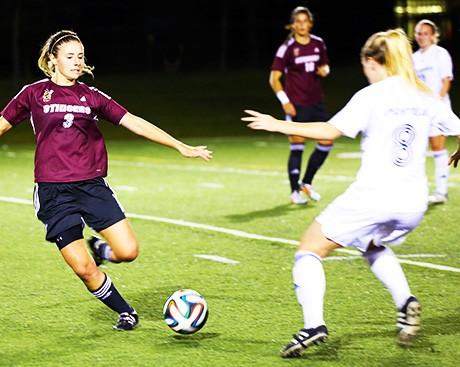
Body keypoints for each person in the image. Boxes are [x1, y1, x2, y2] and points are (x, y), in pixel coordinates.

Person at [243, 28, 460, 358]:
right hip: (414, 202)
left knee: (308, 251)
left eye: (365, 65)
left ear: (373, 62)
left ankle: (313, 325)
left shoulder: (371, 96)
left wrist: (279, 124)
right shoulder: (425, 94)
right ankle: (406, 302)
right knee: (370, 242)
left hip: (373, 197)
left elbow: (329, 131)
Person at [0, 30, 212, 331]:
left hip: (91, 187)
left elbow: (133, 122)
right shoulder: (33, 94)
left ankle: (104, 251)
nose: (77, 62)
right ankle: (126, 312)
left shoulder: (91, 96)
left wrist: (180, 145)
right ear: (53, 60)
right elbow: (2, 125)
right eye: (70, 56)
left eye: (81, 57)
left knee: (128, 251)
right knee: (84, 269)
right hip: (53, 192)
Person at [269, 6, 332, 205]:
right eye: (298, 21)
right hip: (296, 104)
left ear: (310, 24)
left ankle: (307, 182)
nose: (302, 25)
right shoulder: (286, 47)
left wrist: (326, 71)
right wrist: (285, 101)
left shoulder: (318, 43)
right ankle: (294, 191)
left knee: (327, 141)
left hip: (316, 103)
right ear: (293, 24)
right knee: (298, 146)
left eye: (305, 21)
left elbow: (325, 65)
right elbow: (274, 79)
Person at [413, 19, 454, 204]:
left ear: (433, 35)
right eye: (419, 33)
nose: (421, 37)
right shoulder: (414, 57)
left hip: (437, 109)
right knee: (418, 148)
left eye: (425, 33)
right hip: (419, 111)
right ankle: (417, 190)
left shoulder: (440, 54)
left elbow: (446, 82)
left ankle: (441, 191)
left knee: (438, 147)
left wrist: (436, 103)